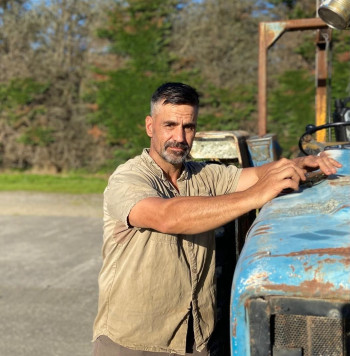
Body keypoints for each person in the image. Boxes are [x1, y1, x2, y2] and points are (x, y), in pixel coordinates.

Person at [92, 82, 341, 356]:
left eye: (189, 127)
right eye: (170, 125)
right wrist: (255, 196)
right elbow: (167, 216)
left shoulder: (203, 175)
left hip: (196, 340)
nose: (180, 137)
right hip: (135, 342)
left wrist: (295, 164)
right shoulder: (128, 178)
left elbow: (256, 175)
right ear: (150, 126)